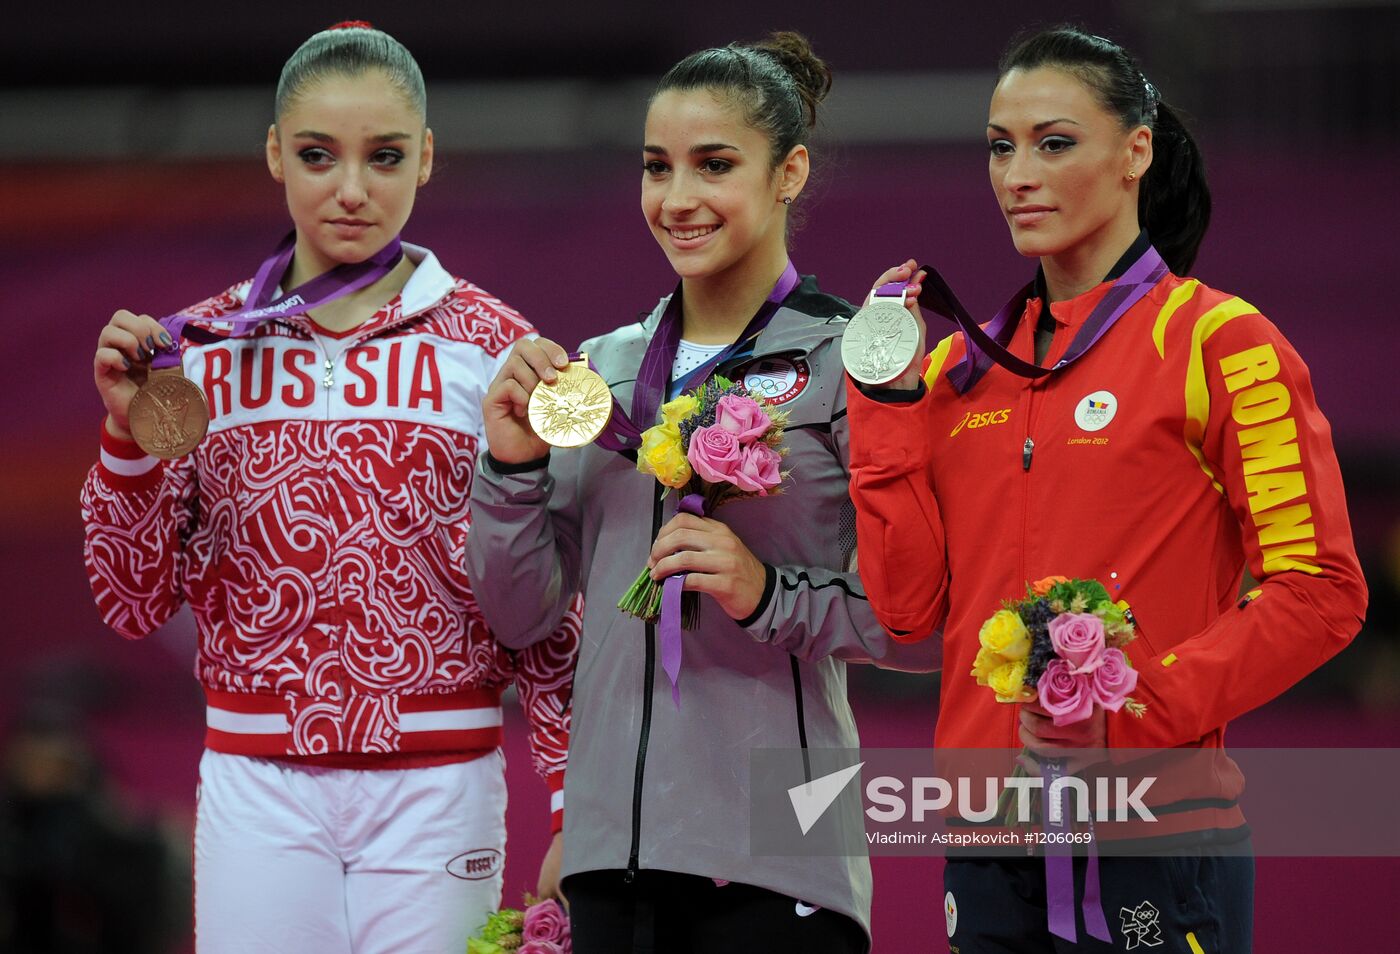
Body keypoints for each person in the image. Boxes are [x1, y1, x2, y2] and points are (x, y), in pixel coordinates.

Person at [844, 25, 1367, 953]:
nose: (1017, 175)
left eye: (1054, 143)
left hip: (1152, 837)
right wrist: (885, 412)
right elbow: (909, 612)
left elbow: (1321, 591)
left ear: (1136, 152)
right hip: (985, 845)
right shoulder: (960, 369)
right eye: (1001, 148)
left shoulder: (1221, 344)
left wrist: (1131, 713)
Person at [80, 22, 580, 953]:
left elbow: (549, 602)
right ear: (275, 153)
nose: (352, 189)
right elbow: (130, 600)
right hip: (256, 787)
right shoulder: (199, 352)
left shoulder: (495, 348)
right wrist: (125, 437)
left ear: (426, 158)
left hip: (442, 782)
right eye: (318, 155)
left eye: (384, 157)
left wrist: (569, 802)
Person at [465, 32, 924, 954]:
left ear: (788, 172)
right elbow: (519, 617)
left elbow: (922, 623)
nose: (677, 200)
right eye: (656, 168)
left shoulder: (852, 366)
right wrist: (511, 464)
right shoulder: (601, 371)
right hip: (609, 855)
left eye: (714, 166)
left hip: (780, 849)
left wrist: (768, 594)